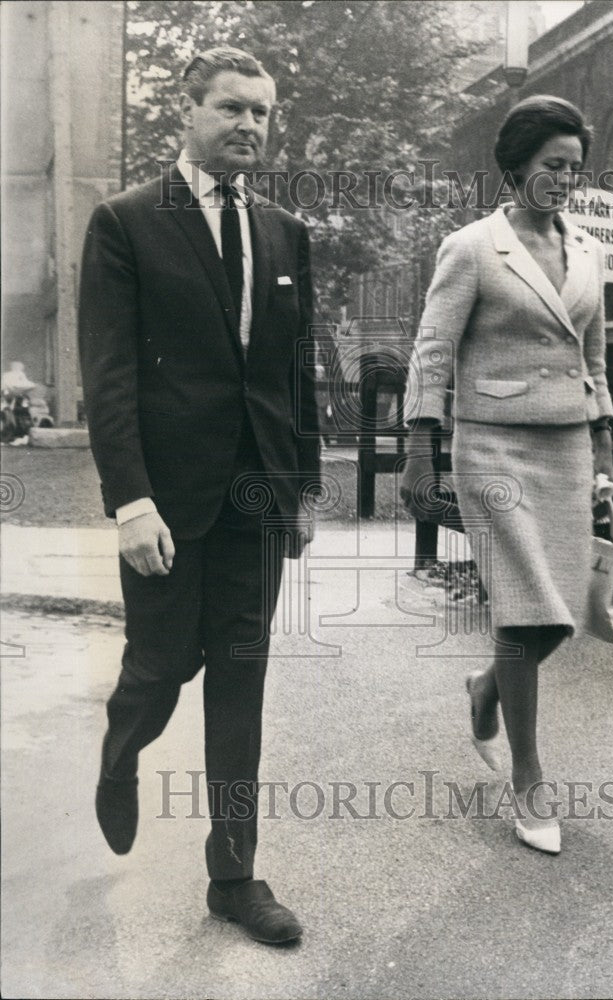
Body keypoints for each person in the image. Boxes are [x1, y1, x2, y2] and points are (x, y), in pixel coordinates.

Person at [78, 47, 319, 942]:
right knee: (161, 668)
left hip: (257, 500)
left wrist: (303, 495)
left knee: (241, 684)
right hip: (168, 504)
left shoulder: (287, 233)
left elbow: (295, 373)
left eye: (261, 112)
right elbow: (107, 377)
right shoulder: (127, 222)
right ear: (190, 111)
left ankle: (234, 877)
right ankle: (122, 749)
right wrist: (130, 501)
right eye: (231, 108)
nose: (248, 125)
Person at [401, 95, 613, 855]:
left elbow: (592, 362)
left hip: (564, 449)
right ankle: (527, 776)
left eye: (574, 169)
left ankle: (487, 685)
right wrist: (419, 447)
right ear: (517, 164)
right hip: (490, 446)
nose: (563, 180)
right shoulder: (471, 248)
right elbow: (431, 351)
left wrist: (606, 452)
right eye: (552, 165)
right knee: (527, 612)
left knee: (561, 614)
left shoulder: (587, 250)